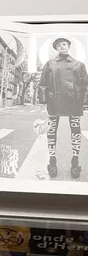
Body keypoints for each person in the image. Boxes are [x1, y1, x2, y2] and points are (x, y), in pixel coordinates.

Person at [38, 37, 88, 179]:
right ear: (56, 48)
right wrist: (44, 101)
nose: (61, 46)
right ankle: (52, 161)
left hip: (75, 102)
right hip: (54, 102)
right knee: (51, 131)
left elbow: (85, 84)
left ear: (68, 46)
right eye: (58, 45)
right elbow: (42, 83)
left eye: (64, 44)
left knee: (76, 132)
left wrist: (85, 102)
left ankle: (75, 162)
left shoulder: (79, 65)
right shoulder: (50, 64)